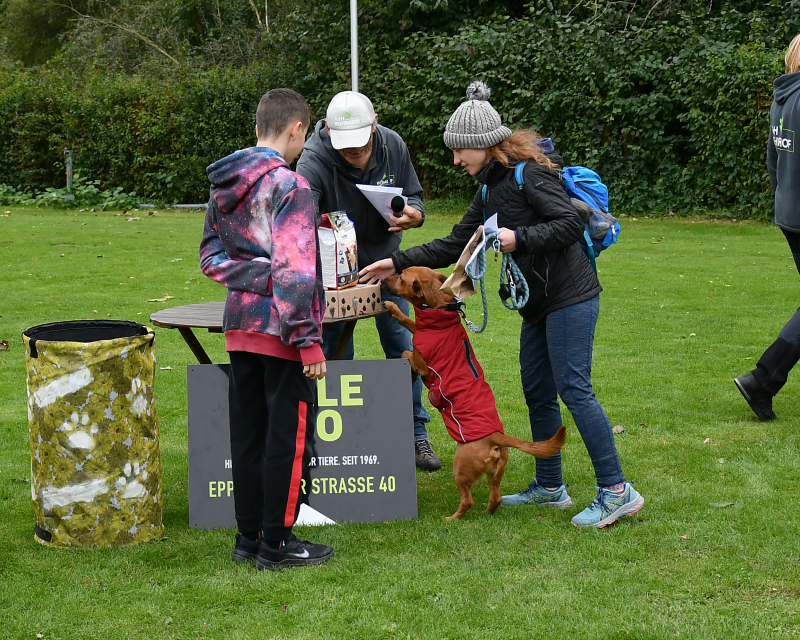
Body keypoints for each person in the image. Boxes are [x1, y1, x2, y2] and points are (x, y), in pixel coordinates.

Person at [361, 81, 645, 528]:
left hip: (570, 297)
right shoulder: (489, 189)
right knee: (536, 390)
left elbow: (569, 223)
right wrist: (395, 261)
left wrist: (519, 237)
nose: (456, 160)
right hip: (538, 304)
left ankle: (616, 490)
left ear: (485, 145)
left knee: (574, 389)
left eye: (460, 151)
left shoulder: (530, 175)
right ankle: (550, 487)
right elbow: (456, 242)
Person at [199, 88, 333, 569]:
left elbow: (211, 258)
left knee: (248, 435)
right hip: (282, 330)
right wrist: (307, 340)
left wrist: (256, 275)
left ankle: (249, 538)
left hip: (239, 324)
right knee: (287, 439)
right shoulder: (291, 186)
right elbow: (294, 272)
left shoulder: (225, 183)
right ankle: (277, 544)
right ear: (297, 129)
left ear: (258, 128)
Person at [296, 90, 441, 471]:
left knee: (403, 347)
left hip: (388, 266)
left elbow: (414, 198)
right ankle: (338, 441)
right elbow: (300, 219)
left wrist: (415, 215)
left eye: (360, 145)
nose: (354, 153)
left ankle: (415, 434)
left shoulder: (393, 145)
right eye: (346, 147)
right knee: (333, 353)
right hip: (333, 273)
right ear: (328, 131)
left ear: (375, 124)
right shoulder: (312, 159)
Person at [735, 35, 800, 421]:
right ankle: (762, 379)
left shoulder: (782, 98)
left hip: (789, 213)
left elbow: (773, 160)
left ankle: (763, 380)